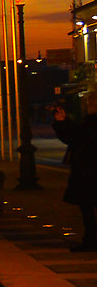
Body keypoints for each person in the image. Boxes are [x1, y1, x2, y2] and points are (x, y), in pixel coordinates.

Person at [53, 105, 97, 250]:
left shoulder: (89, 125)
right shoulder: (88, 125)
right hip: (89, 172)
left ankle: (91, 239)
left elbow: (73, 137)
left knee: (87, 209)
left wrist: (62, 122)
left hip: (88, 173)